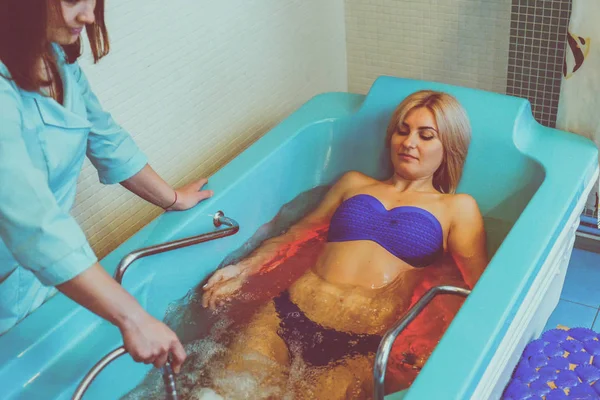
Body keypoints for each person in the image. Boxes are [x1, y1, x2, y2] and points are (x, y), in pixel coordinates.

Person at [199, 90, 489, 399]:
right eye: (402, 131)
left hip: (361, 343)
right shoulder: (353, 184)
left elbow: (477, 289)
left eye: (426, 135)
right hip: (286, 313)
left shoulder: (457, 208)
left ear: (449, 147)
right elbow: (297, 234)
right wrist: (243, 270)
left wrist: (431, 344)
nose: (409, 143)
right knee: (223, 393)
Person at [0, 0, 212, 373]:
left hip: (42, 277)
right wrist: (132, 319)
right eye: (71, 1)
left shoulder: (53, 58)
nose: (89, 16)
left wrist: (173, 198)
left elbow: (105, 137)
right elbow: (33, 222)